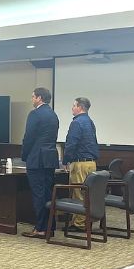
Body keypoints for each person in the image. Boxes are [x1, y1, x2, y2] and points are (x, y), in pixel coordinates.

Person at [20, 86, 60, 238]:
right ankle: (50, 226)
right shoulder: (53, 115)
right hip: (50, 159)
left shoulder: (35, 114)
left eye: (33, 96)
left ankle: (41, 228)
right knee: (48, 194)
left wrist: (24, 156)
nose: (32, 99)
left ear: (39, 98)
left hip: (36, 158)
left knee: (38, 195)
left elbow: (28, 138)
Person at [63, 96, 100, 227]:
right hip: (91, 164)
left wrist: (65, 161)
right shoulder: (90, 122)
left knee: (78, 194)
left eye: (74, 105)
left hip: (80, 164)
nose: (72, 108)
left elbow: (71, 144)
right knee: (88, 194)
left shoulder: (76, 123)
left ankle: (79, 224)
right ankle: (85, 221)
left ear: (79, 107)